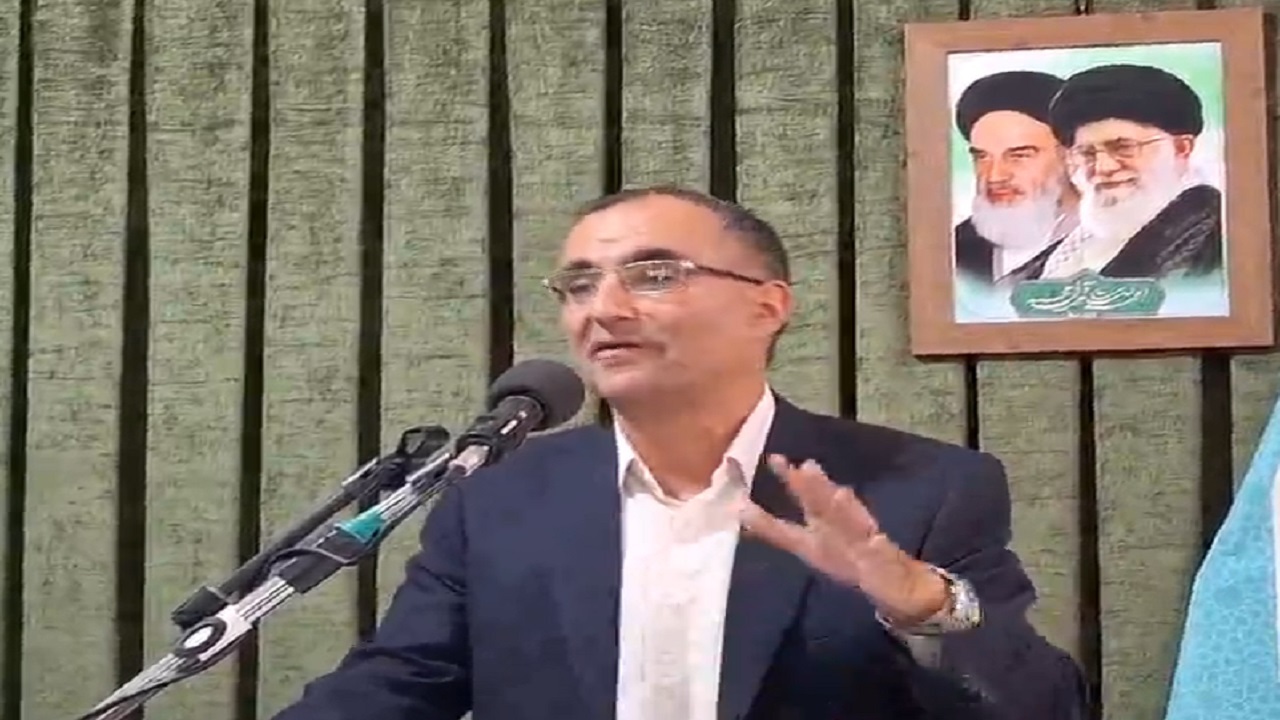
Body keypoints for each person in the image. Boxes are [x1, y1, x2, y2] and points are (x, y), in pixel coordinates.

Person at [270, 185, 1088, 719]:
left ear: (767, 307)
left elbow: (1047, 707)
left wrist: (923, 605)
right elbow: (394, 689)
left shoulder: (924, 487)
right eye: (579, 284)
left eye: (654, 275)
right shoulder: (501, 500)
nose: (604, 308)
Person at [1039, 63, 1223, 279]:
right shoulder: (1066, 254)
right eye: (1087, 153)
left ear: (1181, 148)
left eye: (1123, 148)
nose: (1103, 167)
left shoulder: (1221, 236)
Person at [952, 70, 1080, 285]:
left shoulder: (1119, 243)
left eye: (1019, 156)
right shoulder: (954, 250)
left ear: (1071, 155)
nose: (995, 176)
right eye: (982, 157)